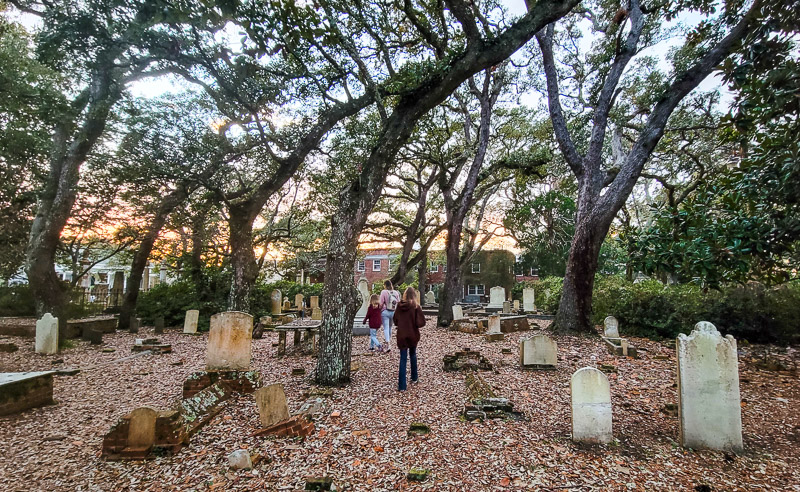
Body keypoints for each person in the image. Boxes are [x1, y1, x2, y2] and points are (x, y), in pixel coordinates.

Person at [393, 287, 425, 391]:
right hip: (412, 334)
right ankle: (414, 377)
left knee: (403, 358)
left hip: (402, 334)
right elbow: (421, 323)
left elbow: (395, 320)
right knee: (413, 354)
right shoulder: (416, 307)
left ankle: (402, 386)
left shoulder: (399, 306)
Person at [379, 280, 400, 352]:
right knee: (390, 327)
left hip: (385, 311)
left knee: (386, 328)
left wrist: (379, 310)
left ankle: (388, 343)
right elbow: (398, 302)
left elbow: (381, 303)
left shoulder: (384, 292)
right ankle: (388, 341)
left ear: (385, 285)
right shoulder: (396, 292)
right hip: (393, 312)